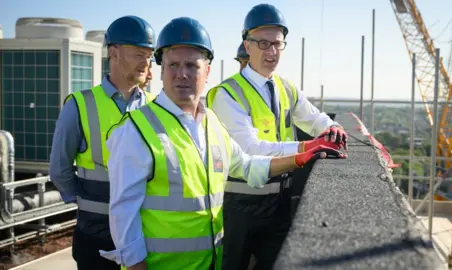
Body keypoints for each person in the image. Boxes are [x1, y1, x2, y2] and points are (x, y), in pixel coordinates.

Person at [99, 16, 347, 270]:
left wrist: (300, 157)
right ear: (161, 71)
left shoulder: (212, 125)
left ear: (207, 71)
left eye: (192, 66)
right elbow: (123, 213)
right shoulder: (135, 130)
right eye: (173, 65)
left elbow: (248, 167)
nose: (182, 74)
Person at [206, 4, 348, 270]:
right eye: (262, 43)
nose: (271, 52)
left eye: (277, 44)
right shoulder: (227, 94)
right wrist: (308, 146)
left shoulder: (285, 87)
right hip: (240, 206)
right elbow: (250, 148)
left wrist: (332, 129)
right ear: (247, 46)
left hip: (280, 202)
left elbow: (314, 118)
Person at [48, 15, 157, 270]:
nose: (146, 62)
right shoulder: (79, 105)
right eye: (139, 54)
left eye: (149, 55)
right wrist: (87, 202)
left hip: (145, 235)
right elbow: (59, 170)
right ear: (114, 53)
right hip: (96, 237)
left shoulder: (156, 107)